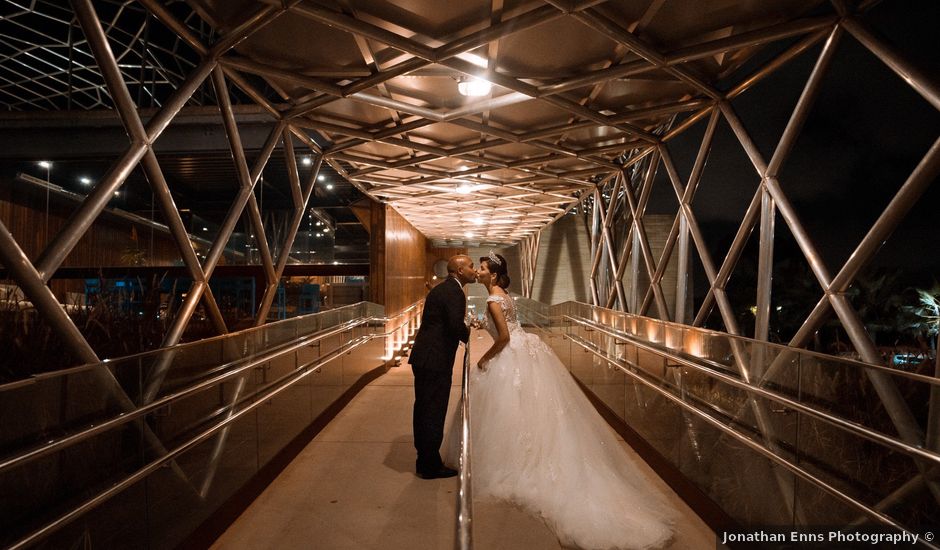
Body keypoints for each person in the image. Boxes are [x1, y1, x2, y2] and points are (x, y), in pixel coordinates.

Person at [451, 252, 676, 549]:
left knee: (512, 412)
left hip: (510, 354)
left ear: (492, 275)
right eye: (476, 267)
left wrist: (484, 359)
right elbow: (508, 325)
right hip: (526, 350)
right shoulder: (502, 295)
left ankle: (520, 461)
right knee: (531, 411)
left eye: (481, 268)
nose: (478, 271)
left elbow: (503, 337)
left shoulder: (493, 299)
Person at [409, 254, 477, 479]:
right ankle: (430, 466)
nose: (474, 270)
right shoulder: (454, 292)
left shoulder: (443, 289)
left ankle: (425, 460)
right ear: (459, 271)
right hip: (435, 360)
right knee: (433, 411)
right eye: (470, 266)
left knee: (424, 409)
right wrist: (472, 337)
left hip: (425, 358)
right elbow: (454, 325)